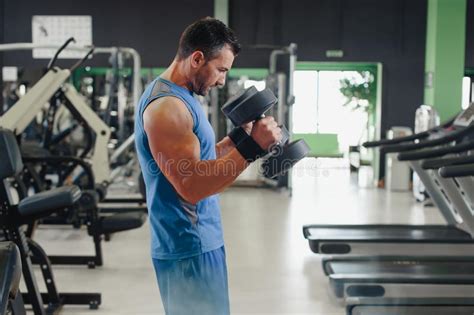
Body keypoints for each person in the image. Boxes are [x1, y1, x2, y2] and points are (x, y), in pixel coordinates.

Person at [134, 17, 281, 315]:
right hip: (188, 246)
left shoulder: (181, 96)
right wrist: (253, 148)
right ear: (197, 58)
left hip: (200, 241)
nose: (222, 80)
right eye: (221, 70)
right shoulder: (167, 109)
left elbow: (199, 160)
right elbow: (192, 186)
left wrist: (239, 138)